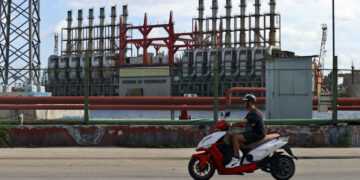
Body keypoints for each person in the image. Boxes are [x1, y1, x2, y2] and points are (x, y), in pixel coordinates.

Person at [225, 94, 266, 168]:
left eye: (245, 102)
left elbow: (245, 121)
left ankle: (235, 160)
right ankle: (234, 156)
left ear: (250, 103)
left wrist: (233, 123)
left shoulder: (255, 113)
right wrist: (230, 125)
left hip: (256, 135)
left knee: (235, 137)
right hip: (251, 133)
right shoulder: (250, 113)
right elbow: (244, 123)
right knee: (231, 136)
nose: (243, 103)